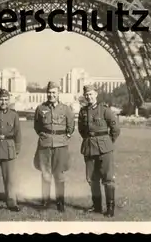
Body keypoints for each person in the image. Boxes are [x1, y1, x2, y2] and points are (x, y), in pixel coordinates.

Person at [78, 84, 120, 217]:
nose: (89, 97)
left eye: (91, 94)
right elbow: (81, 130)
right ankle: (96, 206)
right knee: (92, 178)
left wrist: (107, 142)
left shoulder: (105, 110)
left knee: (108, 179)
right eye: (86, 95)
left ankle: (110, 207)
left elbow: (115, 129)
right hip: (89, 147)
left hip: (104, 149)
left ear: (96, 94)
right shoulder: (83, 111)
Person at [33, 81, 75, 212]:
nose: (51, 95)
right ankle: (45, 201)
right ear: (47, 93)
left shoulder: (66, 109)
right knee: (45, 173)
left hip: (60, 145)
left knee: (59, 174)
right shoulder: (40, 108)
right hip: (45, 145)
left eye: (54, 93)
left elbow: (71, 127)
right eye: (49, 92)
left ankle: (60, 202)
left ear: (58, 94)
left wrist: (63, 137)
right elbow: (37, 126)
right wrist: (45, 136)